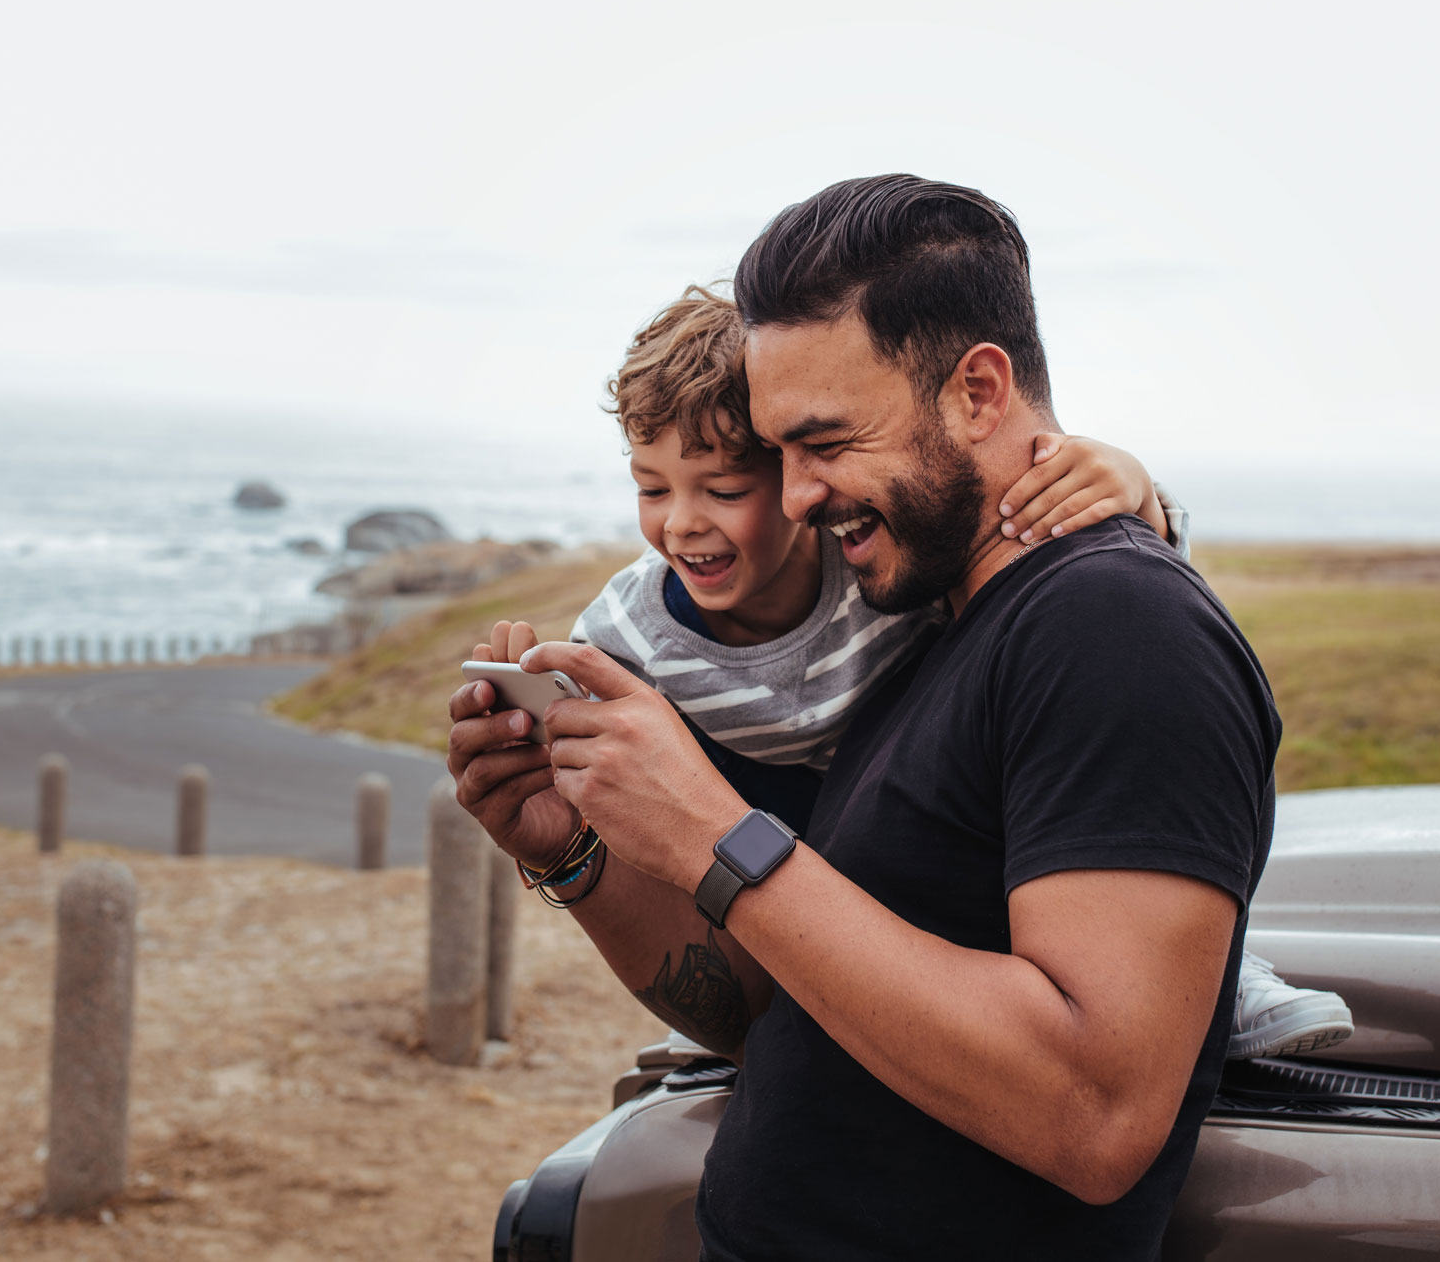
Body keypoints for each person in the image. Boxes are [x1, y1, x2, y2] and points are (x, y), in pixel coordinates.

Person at [445, 175, 1291, 1259]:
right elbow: (775, 1007)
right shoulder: (932, 622)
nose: (794, 496)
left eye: (825, 442)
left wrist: (714, 832)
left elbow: (1094, 1113)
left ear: (978, 393)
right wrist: (576, 861)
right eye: (778, 454)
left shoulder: (1113, 623)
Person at [533, 282, 1348, 1062]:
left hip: (945, 828)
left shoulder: (875, 560)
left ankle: (1204, 981)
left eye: (722, 488)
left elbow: (1086, 575)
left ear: (794, 474)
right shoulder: (628, 636)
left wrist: (1135, 492)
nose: (681, 523)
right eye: (650, 489)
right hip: (792, 858)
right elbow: (594, 748)